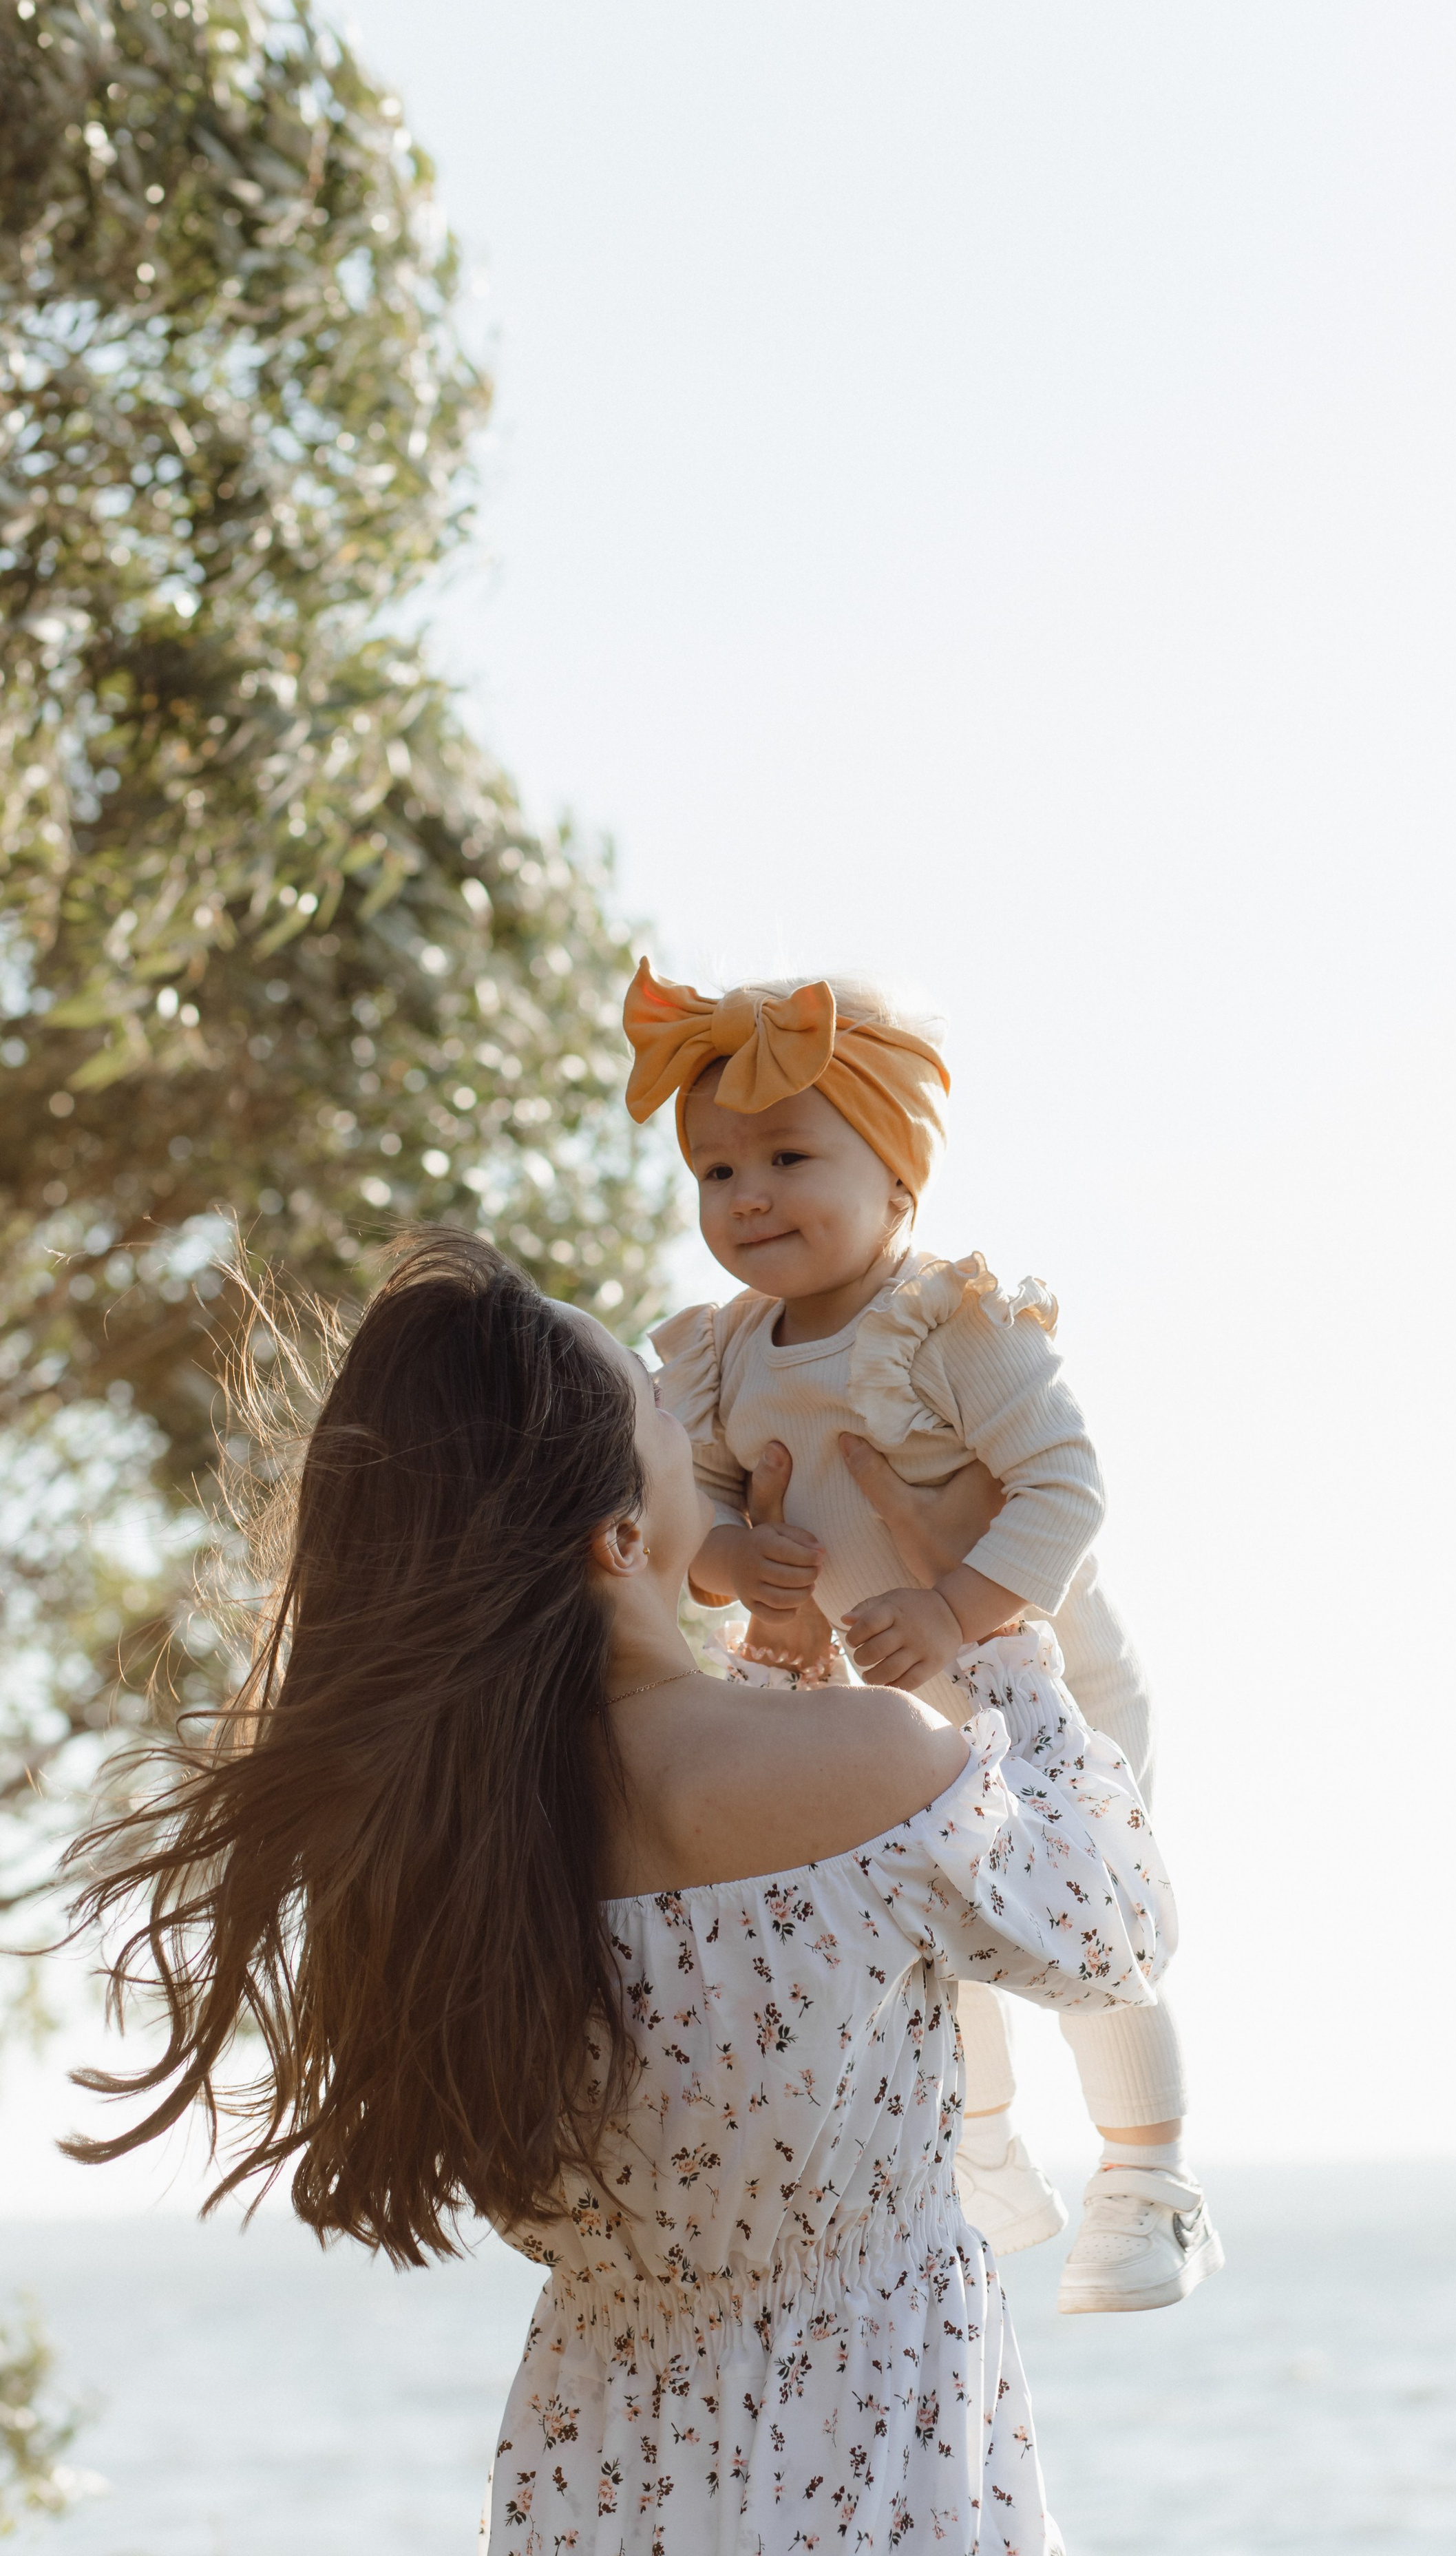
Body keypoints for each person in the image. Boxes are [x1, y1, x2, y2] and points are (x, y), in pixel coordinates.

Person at [61, 1228, 1178, 2554]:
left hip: (600, 2464)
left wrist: (773, 1662)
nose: (686, 1413)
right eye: (656, 1406)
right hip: (873, 2448)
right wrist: (995, 1635)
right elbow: (1118, 1936)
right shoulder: (872, 1763)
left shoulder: (456, 1850)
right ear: (622, 1532)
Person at [622, 961, 1223, 2313]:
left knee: (1086, 1925)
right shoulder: (720, 1355)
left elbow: (1065, 1486)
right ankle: (985, 2149)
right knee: (925, 1936)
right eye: (715, 1173)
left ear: (897, 1175)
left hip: (1048, 1686)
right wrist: (729, 1554)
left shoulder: (952, 1324)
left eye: (786, 1156)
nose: (747, 1197)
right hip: (890, 1715)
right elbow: (693, 1503)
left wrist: (956, 1607)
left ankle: (1146, 2182)